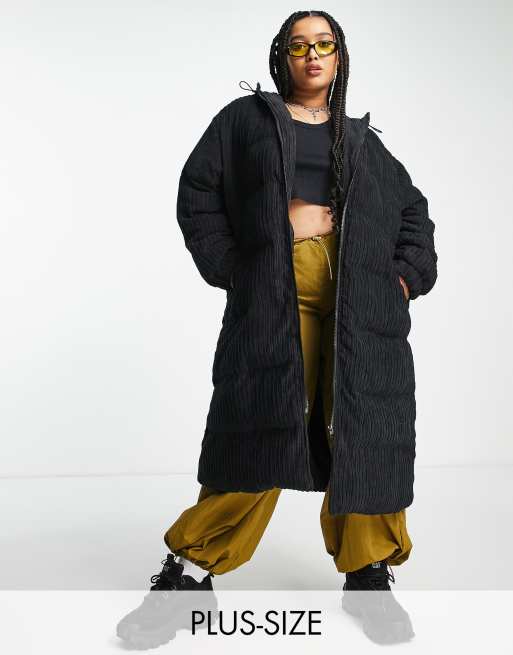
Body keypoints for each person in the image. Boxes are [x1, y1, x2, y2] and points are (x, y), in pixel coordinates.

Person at [117, 9, 437, 646]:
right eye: (299, 46)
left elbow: (412, 212)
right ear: (282, 55)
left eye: (324, 44)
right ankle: (190, 572)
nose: (312, 55)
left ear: (339, 57)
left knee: (364, 428)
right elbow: (197, 192)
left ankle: (369, 573)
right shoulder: (246, 122)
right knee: (264, 421)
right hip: (275, 294)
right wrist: (240, 264)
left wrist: (404, 276)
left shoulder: (362, 140)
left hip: (361, 304)